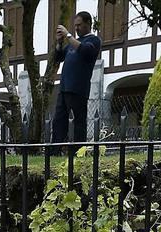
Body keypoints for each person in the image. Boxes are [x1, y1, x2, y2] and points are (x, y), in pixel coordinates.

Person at [50, 11, 101, 146]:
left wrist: (68, 35)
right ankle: (55, 150)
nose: (76, 28)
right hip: (64, 88)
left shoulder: (93, 40)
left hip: (78, 89)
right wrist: (59, 43)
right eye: (75, 26)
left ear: (88, 24)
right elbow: (58, 57)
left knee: (78, 123)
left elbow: (84, 50)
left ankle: (78, 150)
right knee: (58, 121)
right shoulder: (72, 43)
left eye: (79, 25)